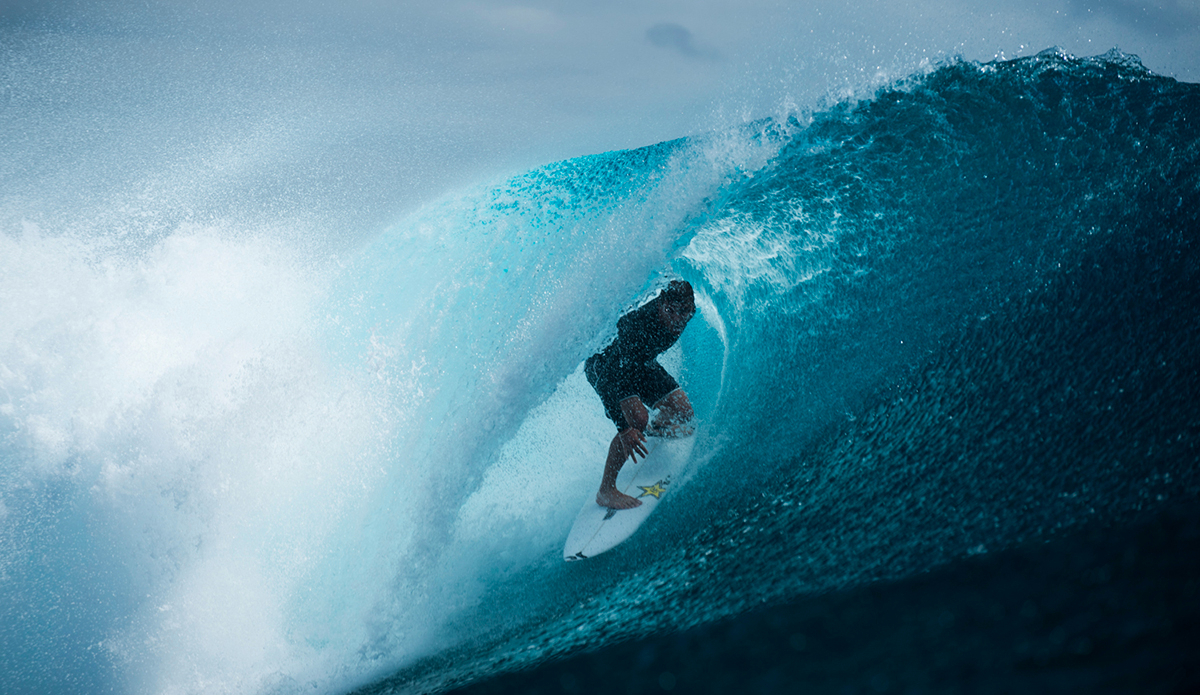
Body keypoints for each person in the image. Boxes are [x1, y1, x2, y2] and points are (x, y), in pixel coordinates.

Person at [585, 280, 697, 509]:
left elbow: (640, 360)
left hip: (640, 364)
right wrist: (624, 428)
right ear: (661, 305)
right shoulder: (636, 327)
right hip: (607, 366)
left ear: (691, 308)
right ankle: (606, 490)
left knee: (683, 412)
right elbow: (609, 379)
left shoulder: (685, 312)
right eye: (670, 312)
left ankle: (653, 429)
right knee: (637, 420)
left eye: (683, 312)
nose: (677, 319)